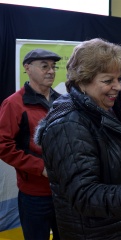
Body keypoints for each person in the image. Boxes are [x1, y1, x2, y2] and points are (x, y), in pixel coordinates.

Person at [34, 38, 121, 239]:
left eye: (118, 78)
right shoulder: (67, 125)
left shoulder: (112, 109)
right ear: (82, 81)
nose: (118, 86)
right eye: (108, 81)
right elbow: (84, 195)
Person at [0, 49, 61, 239]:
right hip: (34, 195)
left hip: (64, 191)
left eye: (53, 67)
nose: (51, 71)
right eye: (44, 66)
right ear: (27, 68)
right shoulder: (14, 104)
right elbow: (3, 145)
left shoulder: (62, 101)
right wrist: (40, 167)